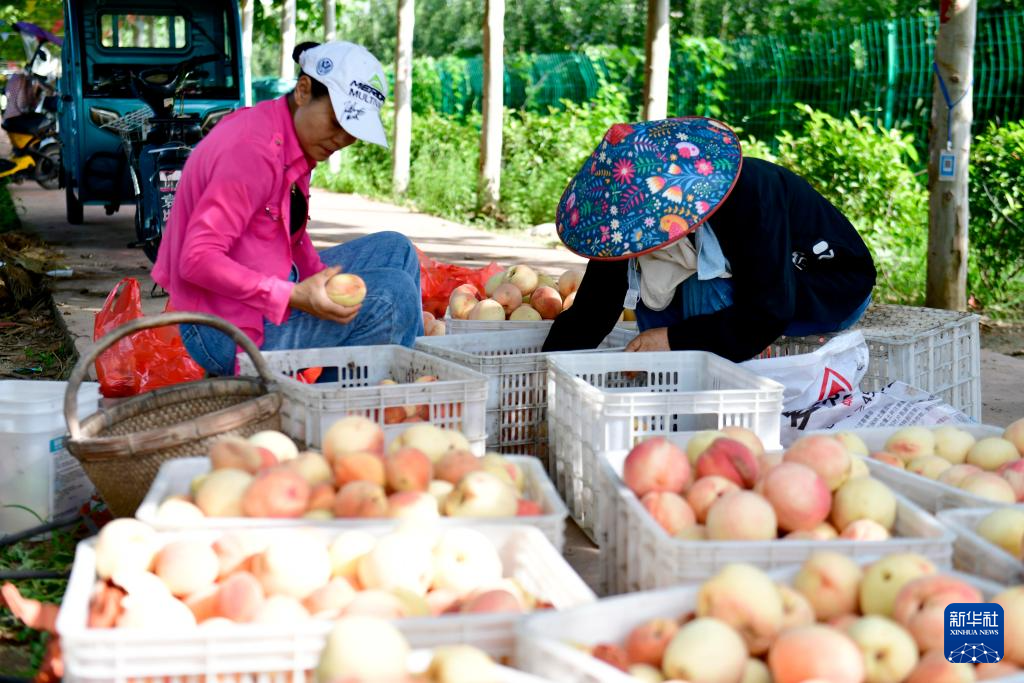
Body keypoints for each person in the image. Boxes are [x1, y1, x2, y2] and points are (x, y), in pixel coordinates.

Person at [153, 41, 424, 376]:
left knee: (396, 250)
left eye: (352, 131)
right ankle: (332, 414)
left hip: (262, 286)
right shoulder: (253, 152)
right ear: (303, 90)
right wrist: (294, 295)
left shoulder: (294, 139)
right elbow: (196, 260)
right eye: (337, 122)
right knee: (393, 297)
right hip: (220, 327)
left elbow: (291, 237)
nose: (341, 139)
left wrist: (316, 280)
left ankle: (402, 381)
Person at [542, 117, 876, 362]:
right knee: (651, 274)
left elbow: (768, 311)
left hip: (826, 287)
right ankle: (671, 383)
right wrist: (546, 371)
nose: (635, 233)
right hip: (766, 295)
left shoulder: (752, 195)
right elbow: (594, 307)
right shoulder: (625, 220)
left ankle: (706, 394)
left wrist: (673, 339)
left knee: (704, 283)